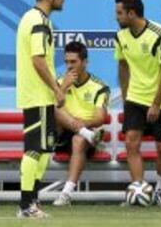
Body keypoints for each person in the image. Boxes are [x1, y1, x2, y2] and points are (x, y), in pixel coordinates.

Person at [114, 0, 161, 206]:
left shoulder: (158, 34)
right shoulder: (120, 36)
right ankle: (139, 191)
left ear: (132, 13)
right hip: (135, 98)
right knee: (131, 143)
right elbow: (122, 65)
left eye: (119, 13)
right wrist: (126, 96)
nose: (116, 17)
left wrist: (156, 103)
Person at [16, 0, 66, 218]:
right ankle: (26, 205)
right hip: (37, 95)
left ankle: (31, 202)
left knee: (44, 151)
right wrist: (57, 89)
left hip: (40, 95)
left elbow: (41, 61)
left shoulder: (35, 18)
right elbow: (38, 60)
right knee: (34, 150)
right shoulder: (38, 21)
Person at [53, 41, 109, 206]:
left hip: (84, 137)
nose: (69, 66)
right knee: (52, 108)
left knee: (79, 139)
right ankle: (89, 135)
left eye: (73, 62)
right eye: (67, 62)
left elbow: (99, 118)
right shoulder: (59, 81)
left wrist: (80, 125)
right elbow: (53, 108)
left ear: (85, 62)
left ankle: (65, 194)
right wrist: (63, 88)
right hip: (61, 133)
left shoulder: (100, 86)